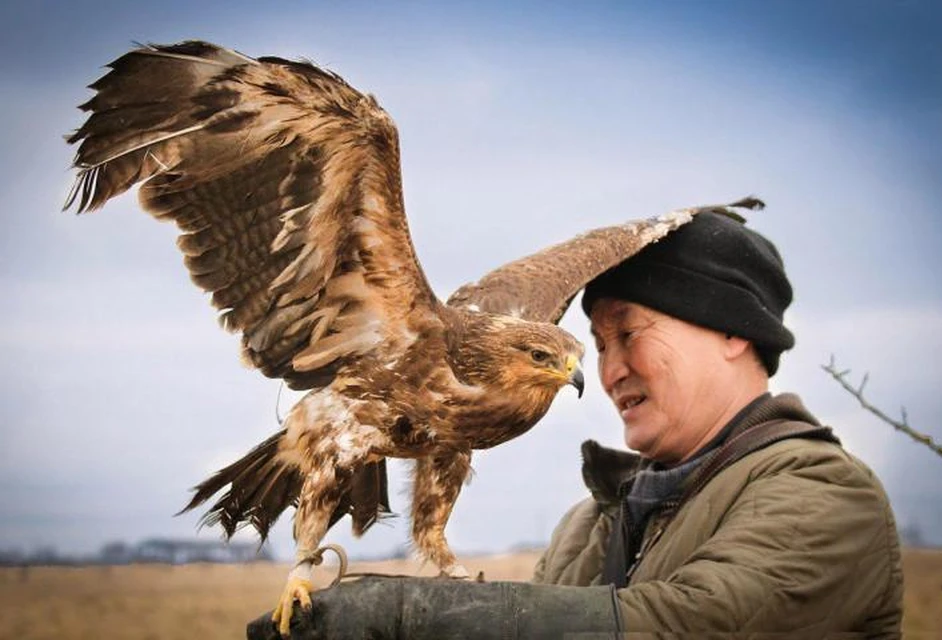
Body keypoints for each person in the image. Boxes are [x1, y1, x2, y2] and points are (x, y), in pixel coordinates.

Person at [248, 211, 903, 639]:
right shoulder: (593, 520)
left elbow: (683, 627)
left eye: (628, 334)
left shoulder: (825, 496)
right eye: (597, 340)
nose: (610, 368)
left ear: (734, 333)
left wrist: (411, 618)